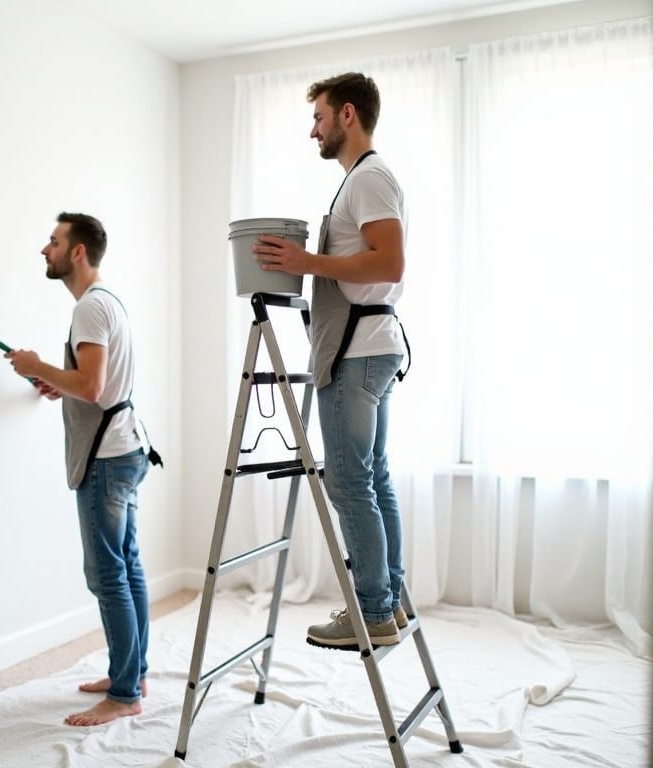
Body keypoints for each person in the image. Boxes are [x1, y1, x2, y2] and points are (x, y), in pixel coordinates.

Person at [252, 72, 409, 648]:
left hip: (359, 351)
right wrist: (308, 261)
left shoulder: (368, 178)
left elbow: (388, 264)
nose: (312, 129)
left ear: (347, 115)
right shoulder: (364, 181)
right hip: (372, 345)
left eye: (318, 117)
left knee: (348, 483)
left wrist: (306, 261)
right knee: (375, 479)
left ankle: (370, 612)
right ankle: (388, 600)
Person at [6, 212, 161, 725]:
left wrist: (36, 367)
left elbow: (93, 387)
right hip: (125, 448)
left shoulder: (90, 309)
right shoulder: (104, 303)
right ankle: (130, 672)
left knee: (107, 575)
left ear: (77, 251)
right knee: (127, 565)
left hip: (108, 460)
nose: (43, 250)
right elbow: (94, 384)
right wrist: (57, 382)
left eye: (52, 241)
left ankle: (124, 694)